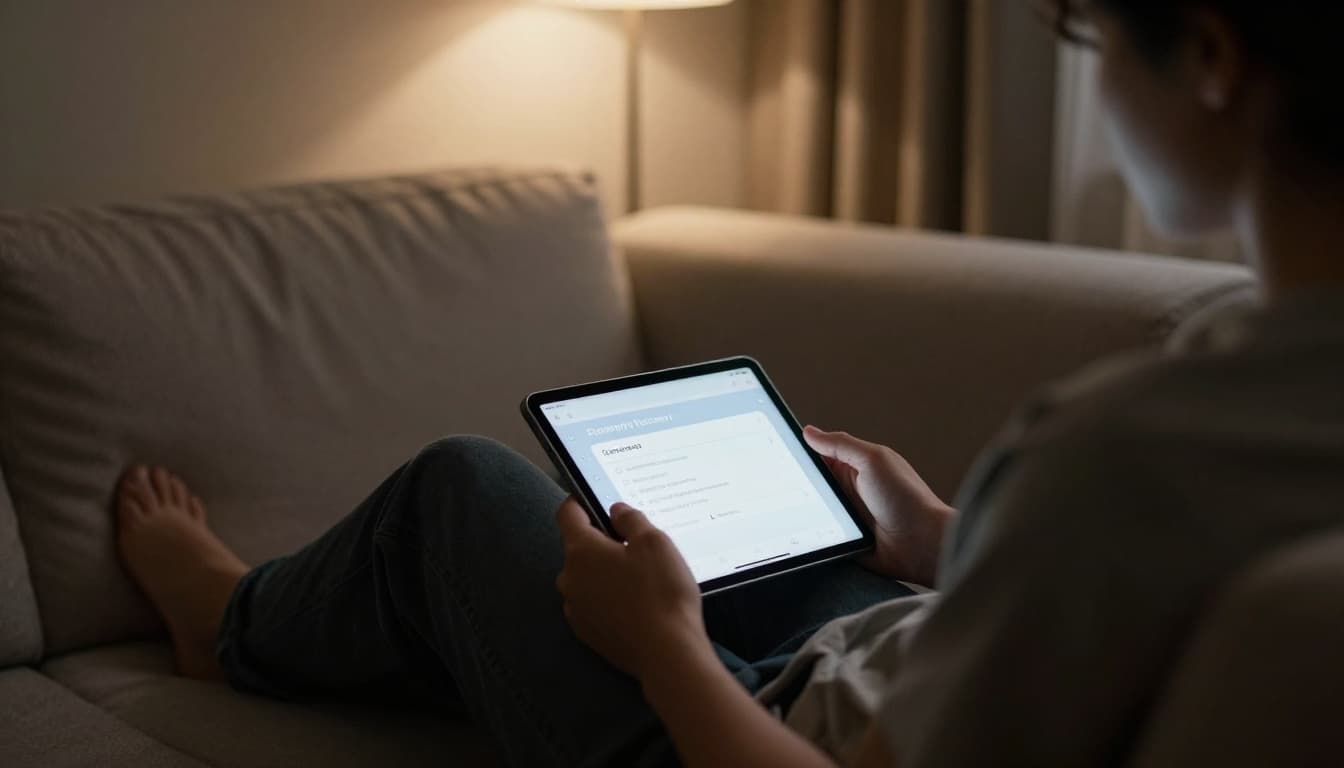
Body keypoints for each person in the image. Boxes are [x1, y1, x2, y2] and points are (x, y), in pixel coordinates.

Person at [113, 1, 1344, 765]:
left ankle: (231, 629)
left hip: (761, 732)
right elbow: (1120, 615)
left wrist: (665, 651)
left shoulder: (1118, 456)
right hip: (895, 651)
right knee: (768, 547)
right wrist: (942, 540)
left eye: (1089, 31)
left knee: (460, 492)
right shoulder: (1218, 431)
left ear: (1212, 56)